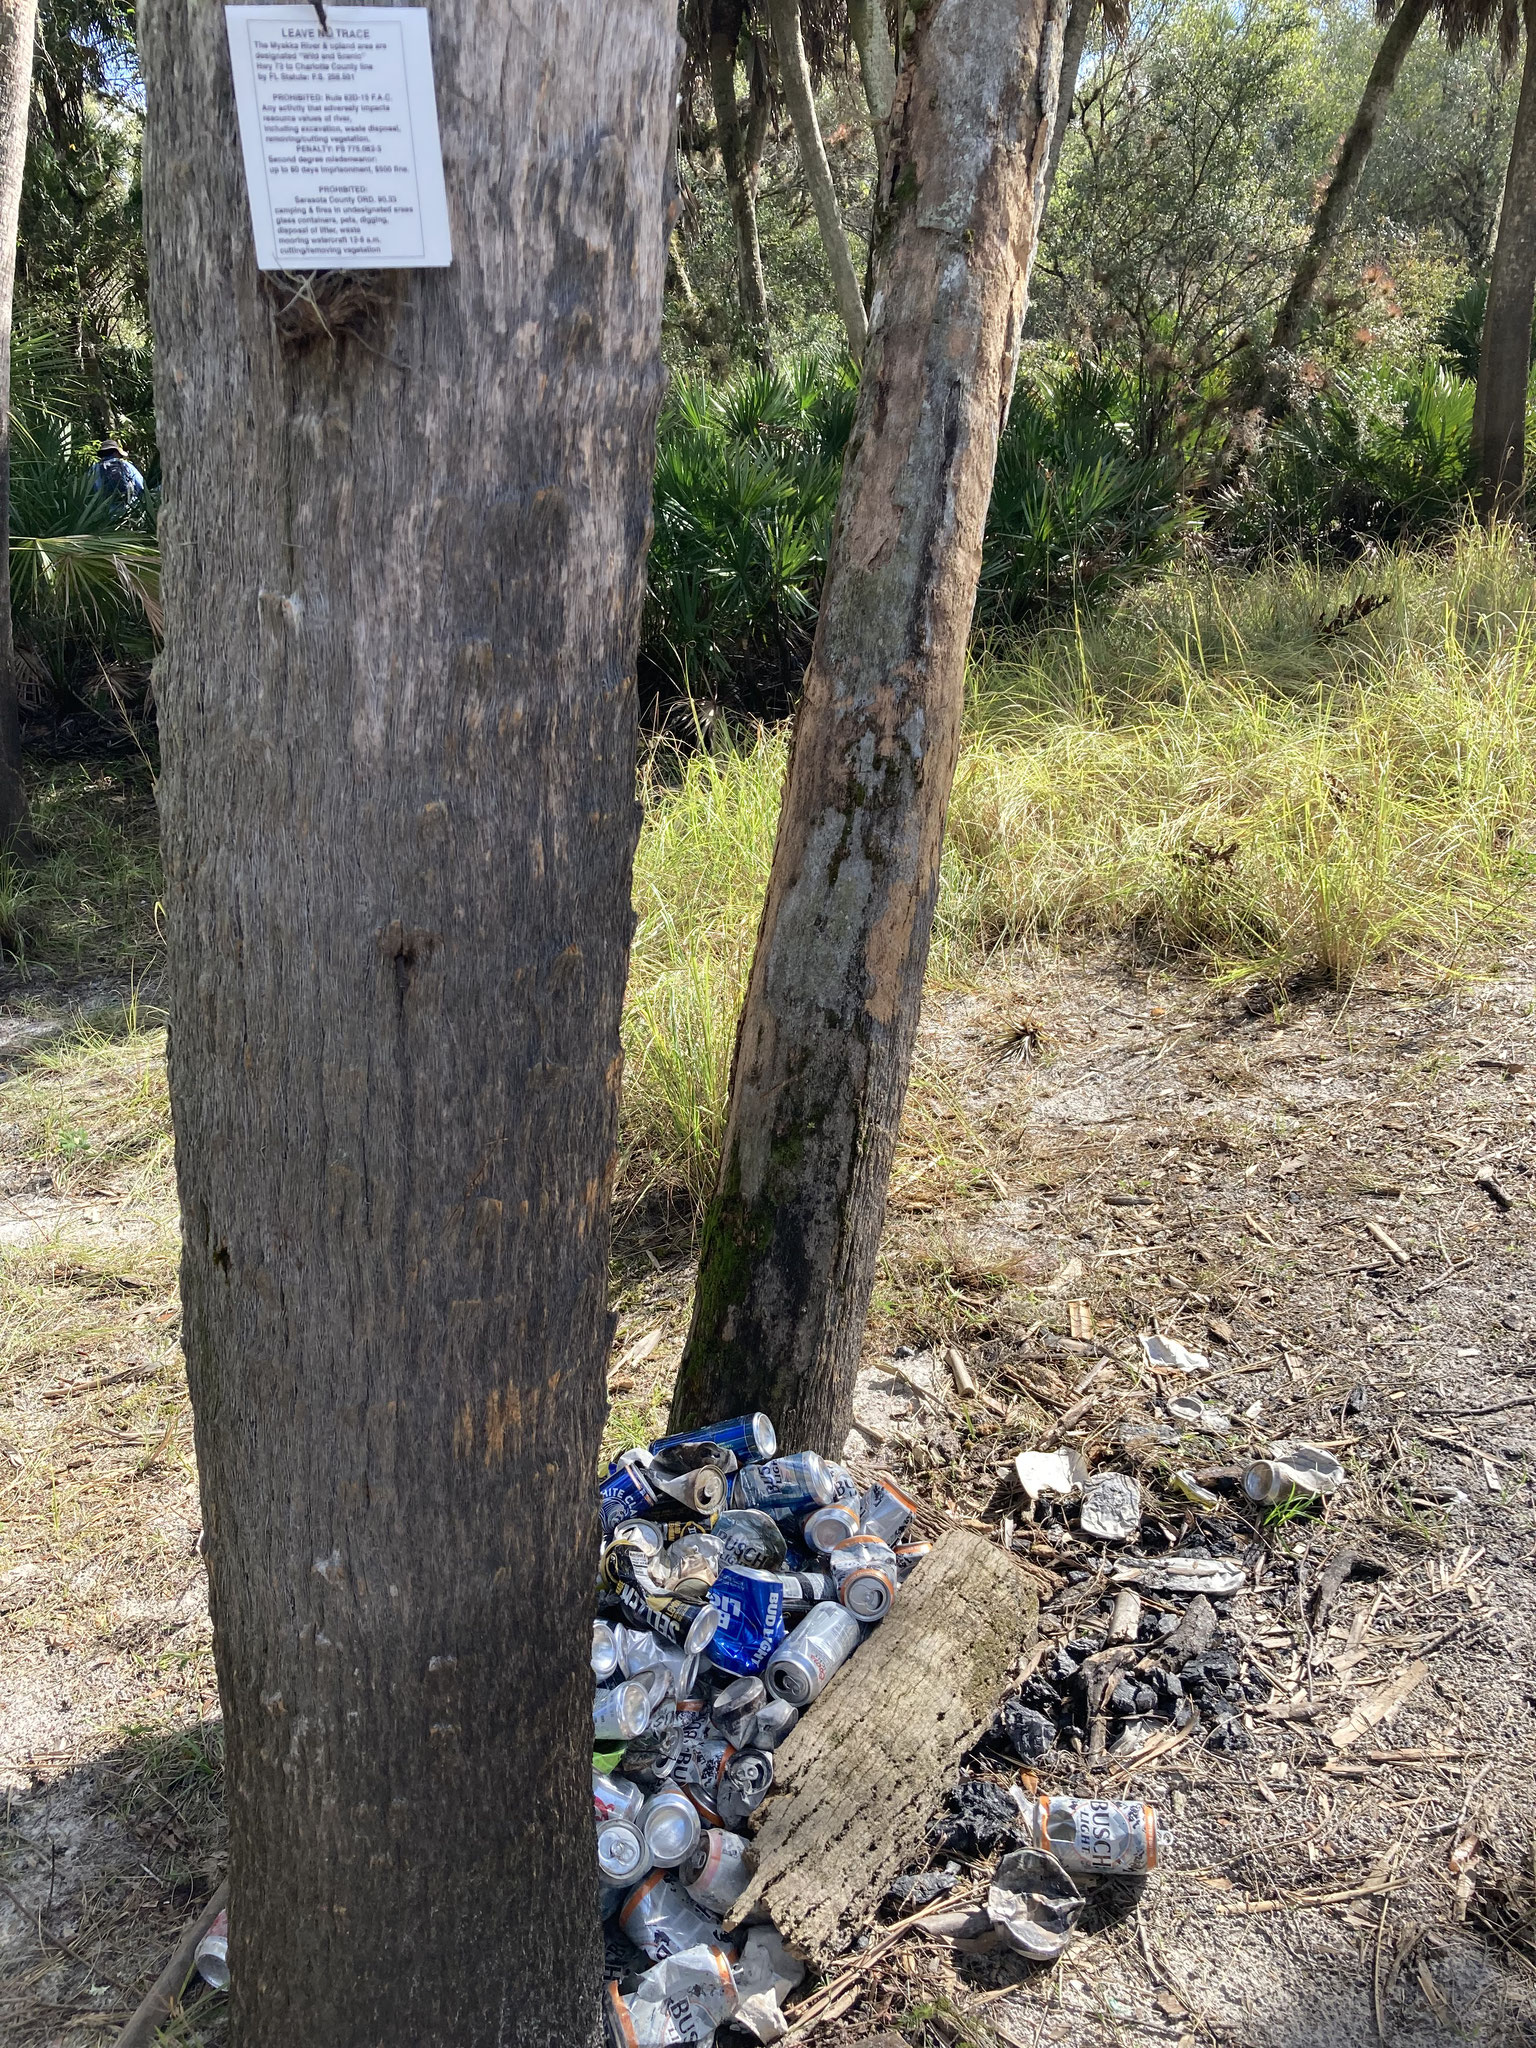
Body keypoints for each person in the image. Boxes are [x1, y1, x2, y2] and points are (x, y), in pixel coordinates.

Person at [88, 439, 145, 507]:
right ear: (116, 452)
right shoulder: (125, 465)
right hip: (128, 508)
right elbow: (140, 485)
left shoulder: (94, 468)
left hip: (105, 511)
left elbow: (90, 491)